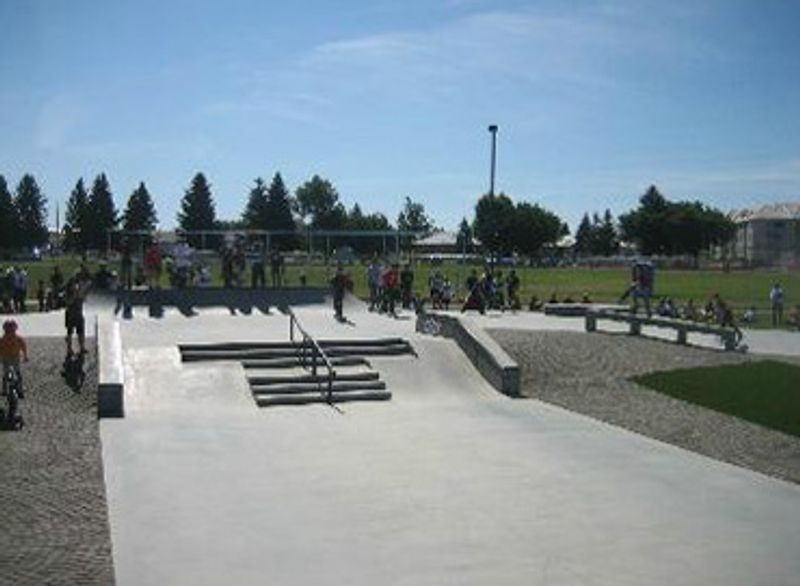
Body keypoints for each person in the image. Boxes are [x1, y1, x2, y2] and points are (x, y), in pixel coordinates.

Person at [64, 271, 90, 356]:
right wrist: (75, 295)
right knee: (70, 332)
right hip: (71, 314)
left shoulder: (79, 290)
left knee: (81, 331)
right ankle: (69, 349)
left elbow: (83, 299)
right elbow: (68, 302)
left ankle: (82, 347)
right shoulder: (69, 293)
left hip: (79, 314)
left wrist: (82, 293)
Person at [1, 319, 28, 398]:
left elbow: (23, 347)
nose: (10, 333)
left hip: (9, 358)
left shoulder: (3, 339)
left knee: (8, 374)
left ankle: (5, 390)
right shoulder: (17, 338)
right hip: (11, 358)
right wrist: (25, 356)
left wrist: (25, 355)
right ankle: (19, 390)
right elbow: (23, 347)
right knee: (16, 374)